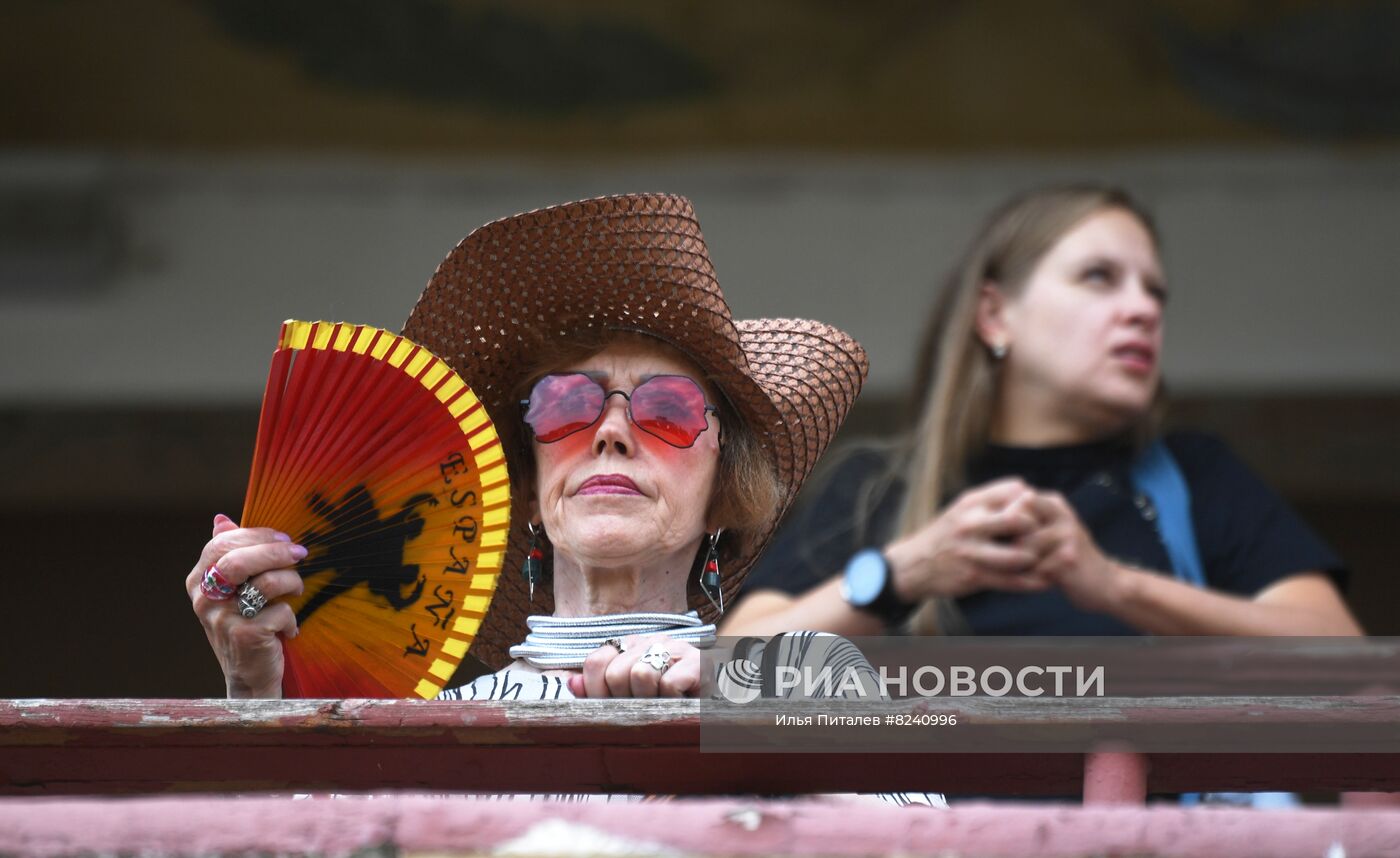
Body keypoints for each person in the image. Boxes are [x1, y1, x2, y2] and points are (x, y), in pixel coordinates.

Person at [185, 192, 876, 702]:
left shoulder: (808, 680)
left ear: (727, 493)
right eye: (566, 406)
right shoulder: (430, 730)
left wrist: (736, 709)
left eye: (667, 410)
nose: (610, 431)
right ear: (526, 491)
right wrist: (254, 690)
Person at [723, 185, 1363, 640]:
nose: (1142, 309)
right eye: (1099, 278)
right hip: (921, 836)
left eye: (1154, 291)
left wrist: (1116, 586)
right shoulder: (876, 487)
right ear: (995, 316)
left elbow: (1339, 655)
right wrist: (908, 570)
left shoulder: (1195, 476)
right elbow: (734, 668)